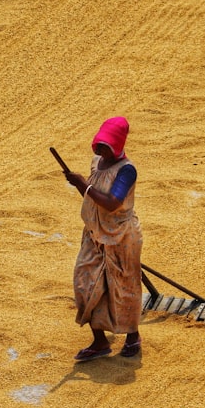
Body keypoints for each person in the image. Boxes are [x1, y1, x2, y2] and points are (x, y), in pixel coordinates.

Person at [64, 116, 143, 361]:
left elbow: (112, 202)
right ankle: (100, 342)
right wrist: (80, 185)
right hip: (93, 236)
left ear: (118, 146)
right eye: (99, 144)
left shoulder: (127, 170)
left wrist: (83, 185)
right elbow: (92, 196)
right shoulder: (97, 161)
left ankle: (132, 337)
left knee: (124, 288)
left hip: (121, 238)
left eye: (106, 146)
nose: (100, 150)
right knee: (85, 284)